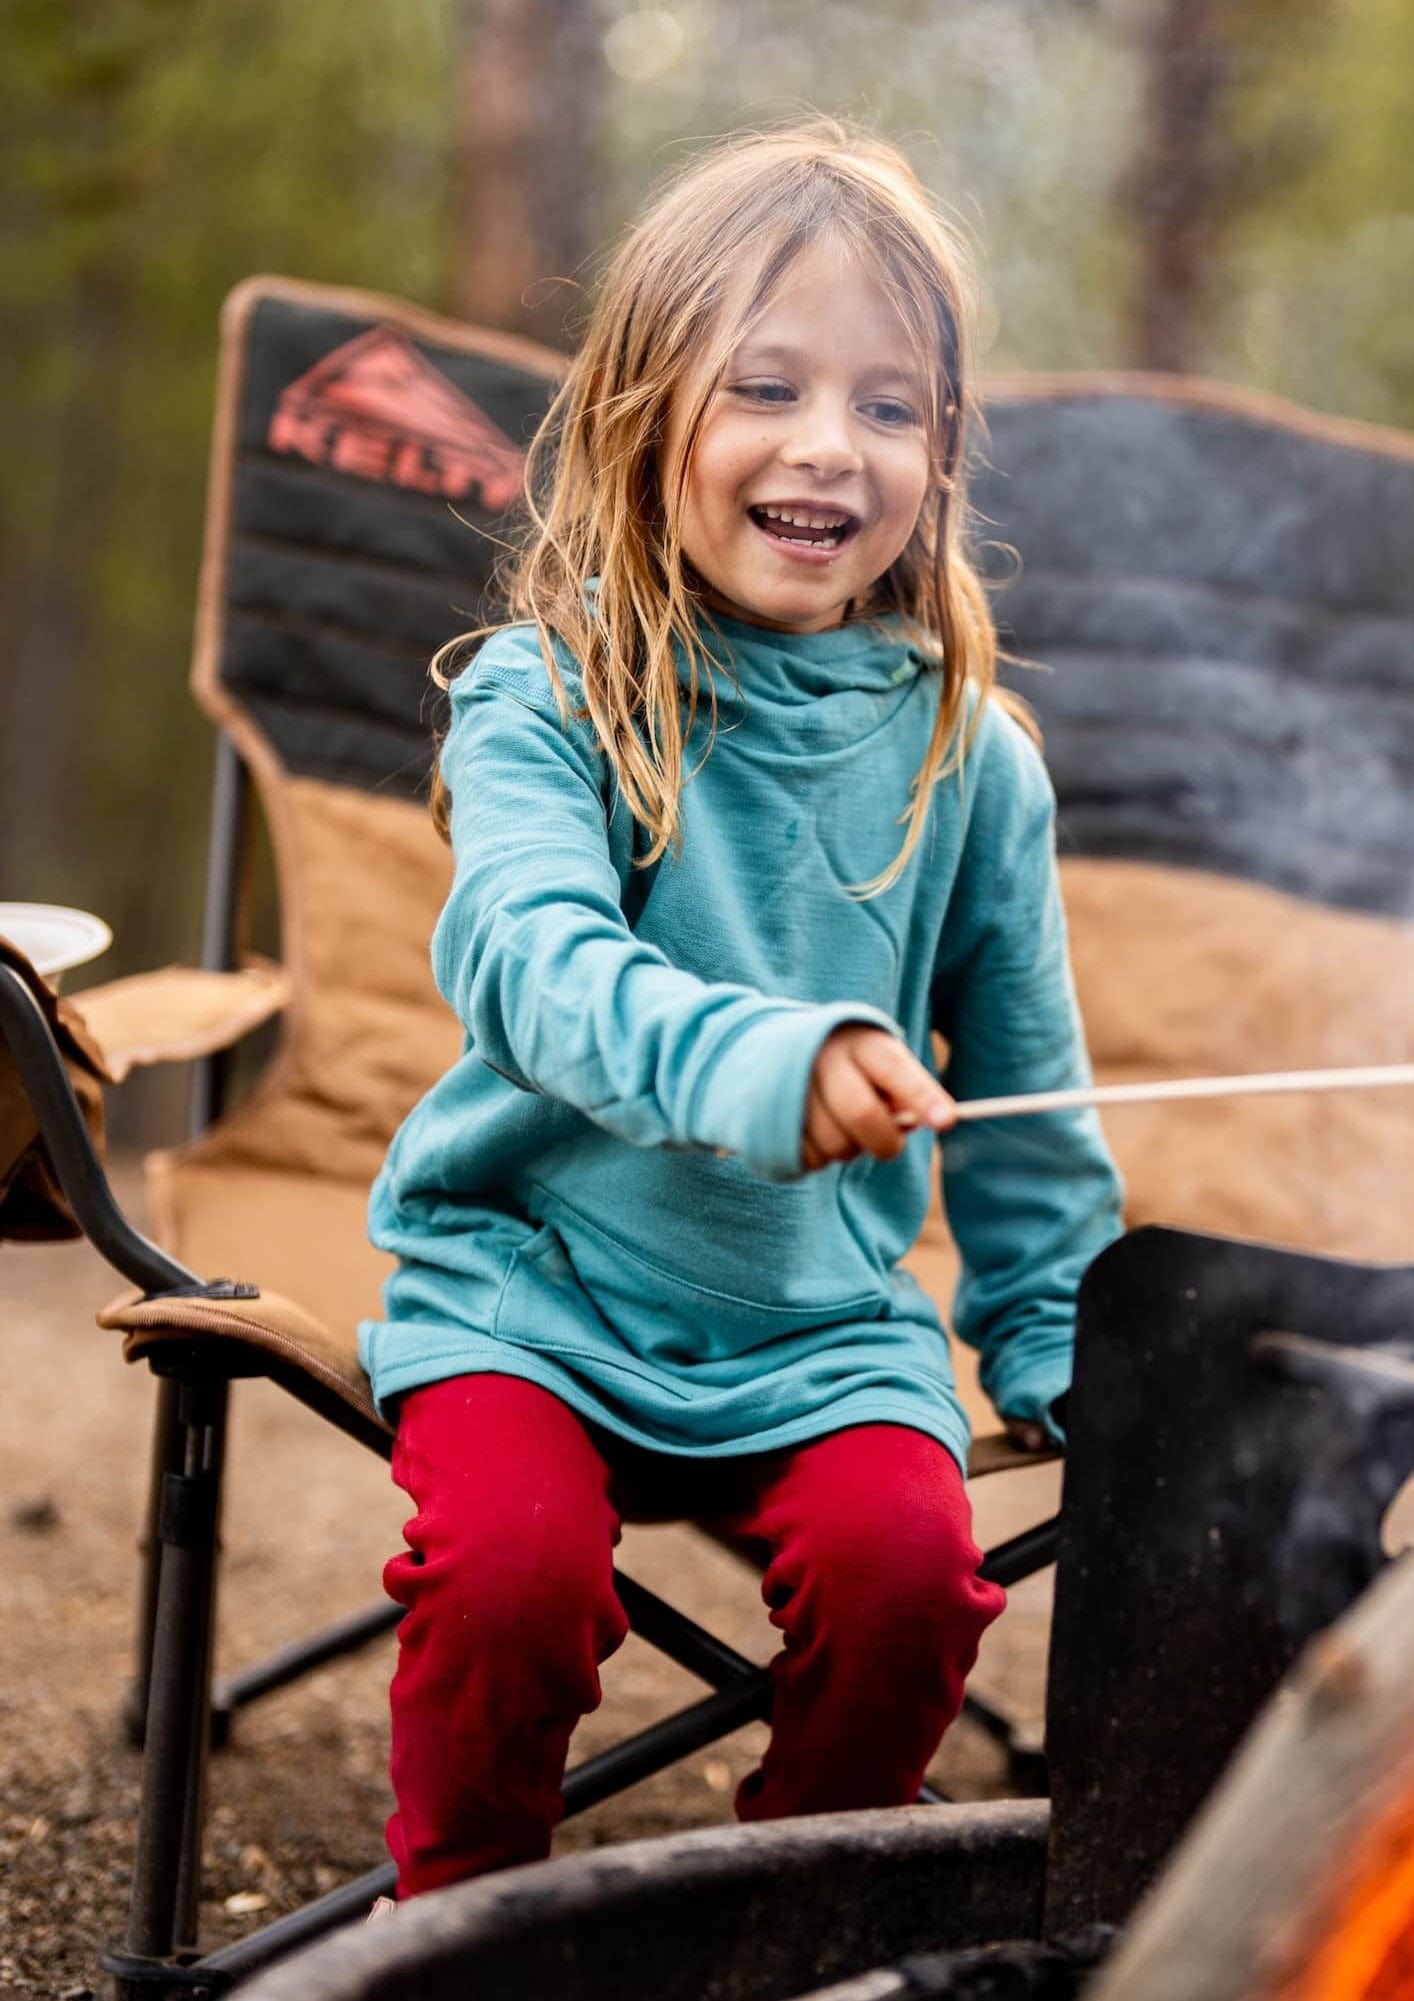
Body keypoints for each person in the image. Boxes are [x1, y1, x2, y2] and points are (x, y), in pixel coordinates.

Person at [357, 118, 1125, 1902]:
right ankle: (461, 1930)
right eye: (764, 386)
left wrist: (1053, 1335)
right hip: (529, 1289)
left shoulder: (970, 754)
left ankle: (779, 1918)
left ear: (941, 454)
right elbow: (530, 970)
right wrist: (772, 1062)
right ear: (643, 415)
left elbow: (1025, 1090)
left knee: (912, 1583)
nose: (825, 449)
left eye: (889, 406)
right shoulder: (552, 695)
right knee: (510, 1583)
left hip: (818, 1322)